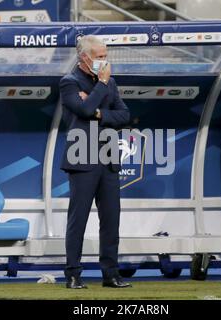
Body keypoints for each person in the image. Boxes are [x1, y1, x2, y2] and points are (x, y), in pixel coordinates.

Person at [59, 35, 131, 289]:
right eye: (100, 57)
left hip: (109, 158)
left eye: (105, 56)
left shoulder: (111, 83)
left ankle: (110, 274)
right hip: (82, 158)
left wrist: (100, 111)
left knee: (111, 219)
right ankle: (73, 274)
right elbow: (84, 110)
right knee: (78, 220)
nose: (105, 61)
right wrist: (100, 86)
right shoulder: (69, 82)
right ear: (84, 57)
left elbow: (124, 115)